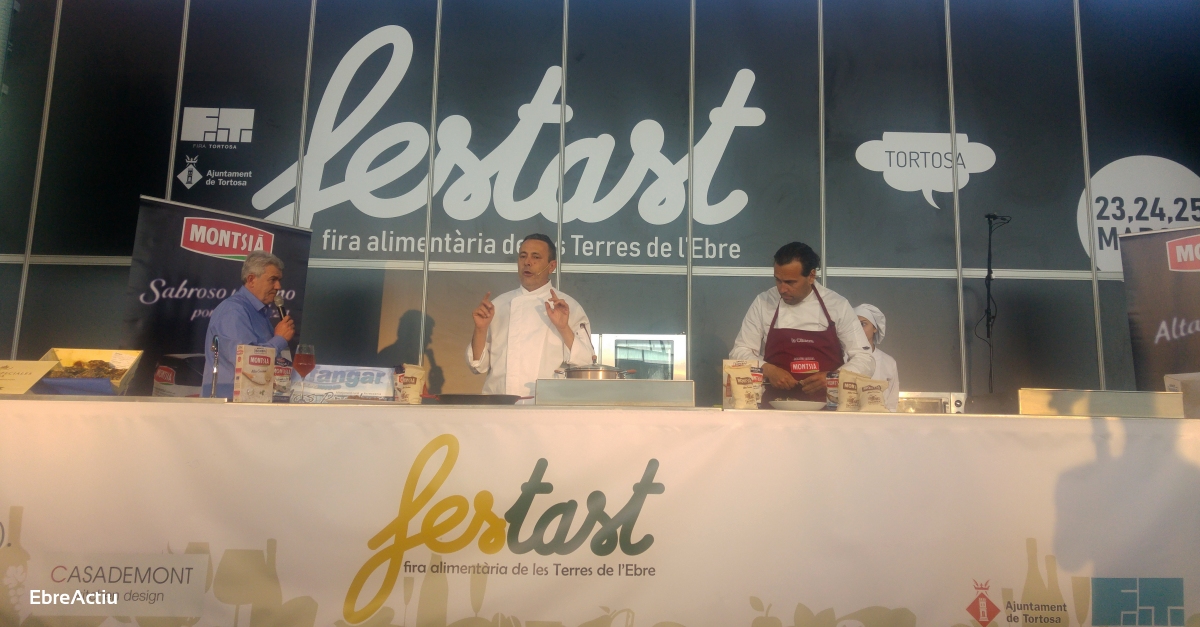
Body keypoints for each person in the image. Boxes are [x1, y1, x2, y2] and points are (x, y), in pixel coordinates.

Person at [730, 242, 874, 406]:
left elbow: (865, 359)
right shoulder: (763, 302)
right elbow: (739, 352)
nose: (782, 289)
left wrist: (834, 378)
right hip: (775, 408)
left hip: (829, 409)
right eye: (778, 280)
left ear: (811, 276)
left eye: (790, 282)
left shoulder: (837, 305)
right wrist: (767, 369)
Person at [467, 234, 595, 398]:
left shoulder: (569, 307)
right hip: (498, 405)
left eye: (536, 257)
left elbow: (586, 363)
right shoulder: (497, 305)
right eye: (523, 256)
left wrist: (563, 328)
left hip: (546, 406)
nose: (527, 262)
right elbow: (477, 366)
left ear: (551, 266)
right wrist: (480, 329)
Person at [201, 250, 295, 398]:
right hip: (228, 400)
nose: (278, 286)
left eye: (279, 280)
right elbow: (245, 361)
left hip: (251, 397)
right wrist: (279, 339)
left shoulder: (259, 312)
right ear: (251, 280)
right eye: (273, 279)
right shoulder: (233, 310)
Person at [855, 303, 899, 412]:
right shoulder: (843, 357)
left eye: (863, 324)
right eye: (854, 324)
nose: (858, 329)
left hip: (880, 419)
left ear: (875, 328)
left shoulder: (888, 362)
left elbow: (892, 403)